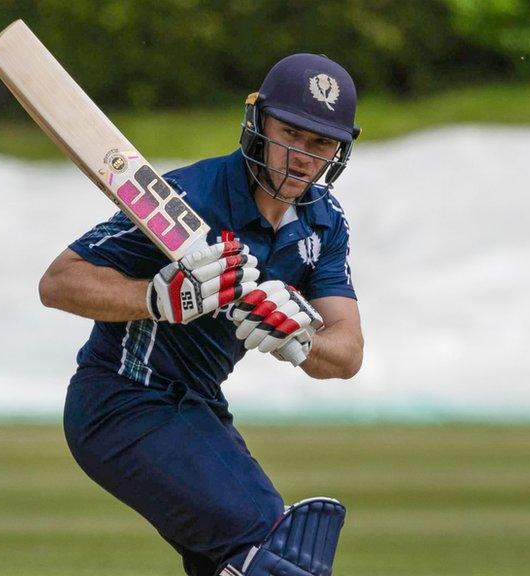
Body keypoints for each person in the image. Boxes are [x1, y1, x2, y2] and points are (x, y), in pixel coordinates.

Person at [38, 54, 364, 576]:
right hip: (121, 400)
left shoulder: (323, 223)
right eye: (290, 134)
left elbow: (346, 353)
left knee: (256, 558)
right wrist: (156, 298)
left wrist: (300, 338)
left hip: (198, 408)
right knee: (275, 556)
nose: (302, 157)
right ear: (258, 124)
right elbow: (58, 282)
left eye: (320, 143)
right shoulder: (186, 198)